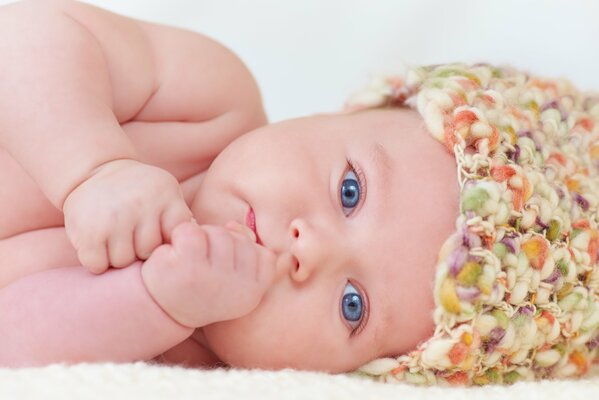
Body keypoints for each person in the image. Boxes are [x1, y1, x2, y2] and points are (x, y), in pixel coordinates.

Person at [0, 0, 597, 386]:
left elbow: (14, 343)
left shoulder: (183, 358)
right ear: (340, 113)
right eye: (350, 190)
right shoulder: (208, 101)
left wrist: (154, 302)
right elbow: (24, 31)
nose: (309, 248)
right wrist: (93, 168)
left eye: (352, 305)